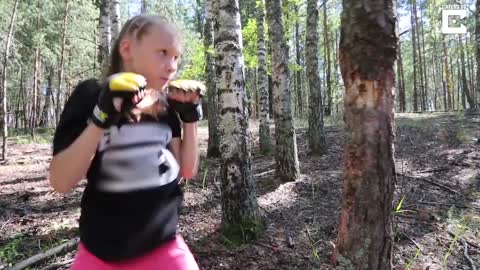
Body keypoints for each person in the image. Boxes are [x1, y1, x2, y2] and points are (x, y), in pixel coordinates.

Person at [48, 14, 202, 270]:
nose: (172, 65)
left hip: (164, 248)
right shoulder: (91, 95)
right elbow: (61, 182)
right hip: (101, 253)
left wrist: (190, 119)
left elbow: (186, 170)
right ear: (127, 48)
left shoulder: (166, 106)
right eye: (163, 52)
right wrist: (100, 118)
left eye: (176, 57)